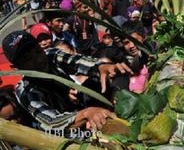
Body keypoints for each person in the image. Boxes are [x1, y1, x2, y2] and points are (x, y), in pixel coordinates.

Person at [1, 31, 133, 133]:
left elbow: (78, 61)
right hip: (64, 131)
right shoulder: (25, 91)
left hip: (80, 107)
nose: (38, 59)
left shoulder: (50, 55)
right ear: (16, 68)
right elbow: (52, 122)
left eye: (37, 51)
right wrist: (86, 114)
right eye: (28, 59)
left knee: (107, 77)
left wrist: (101, 66)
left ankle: (124, 109)